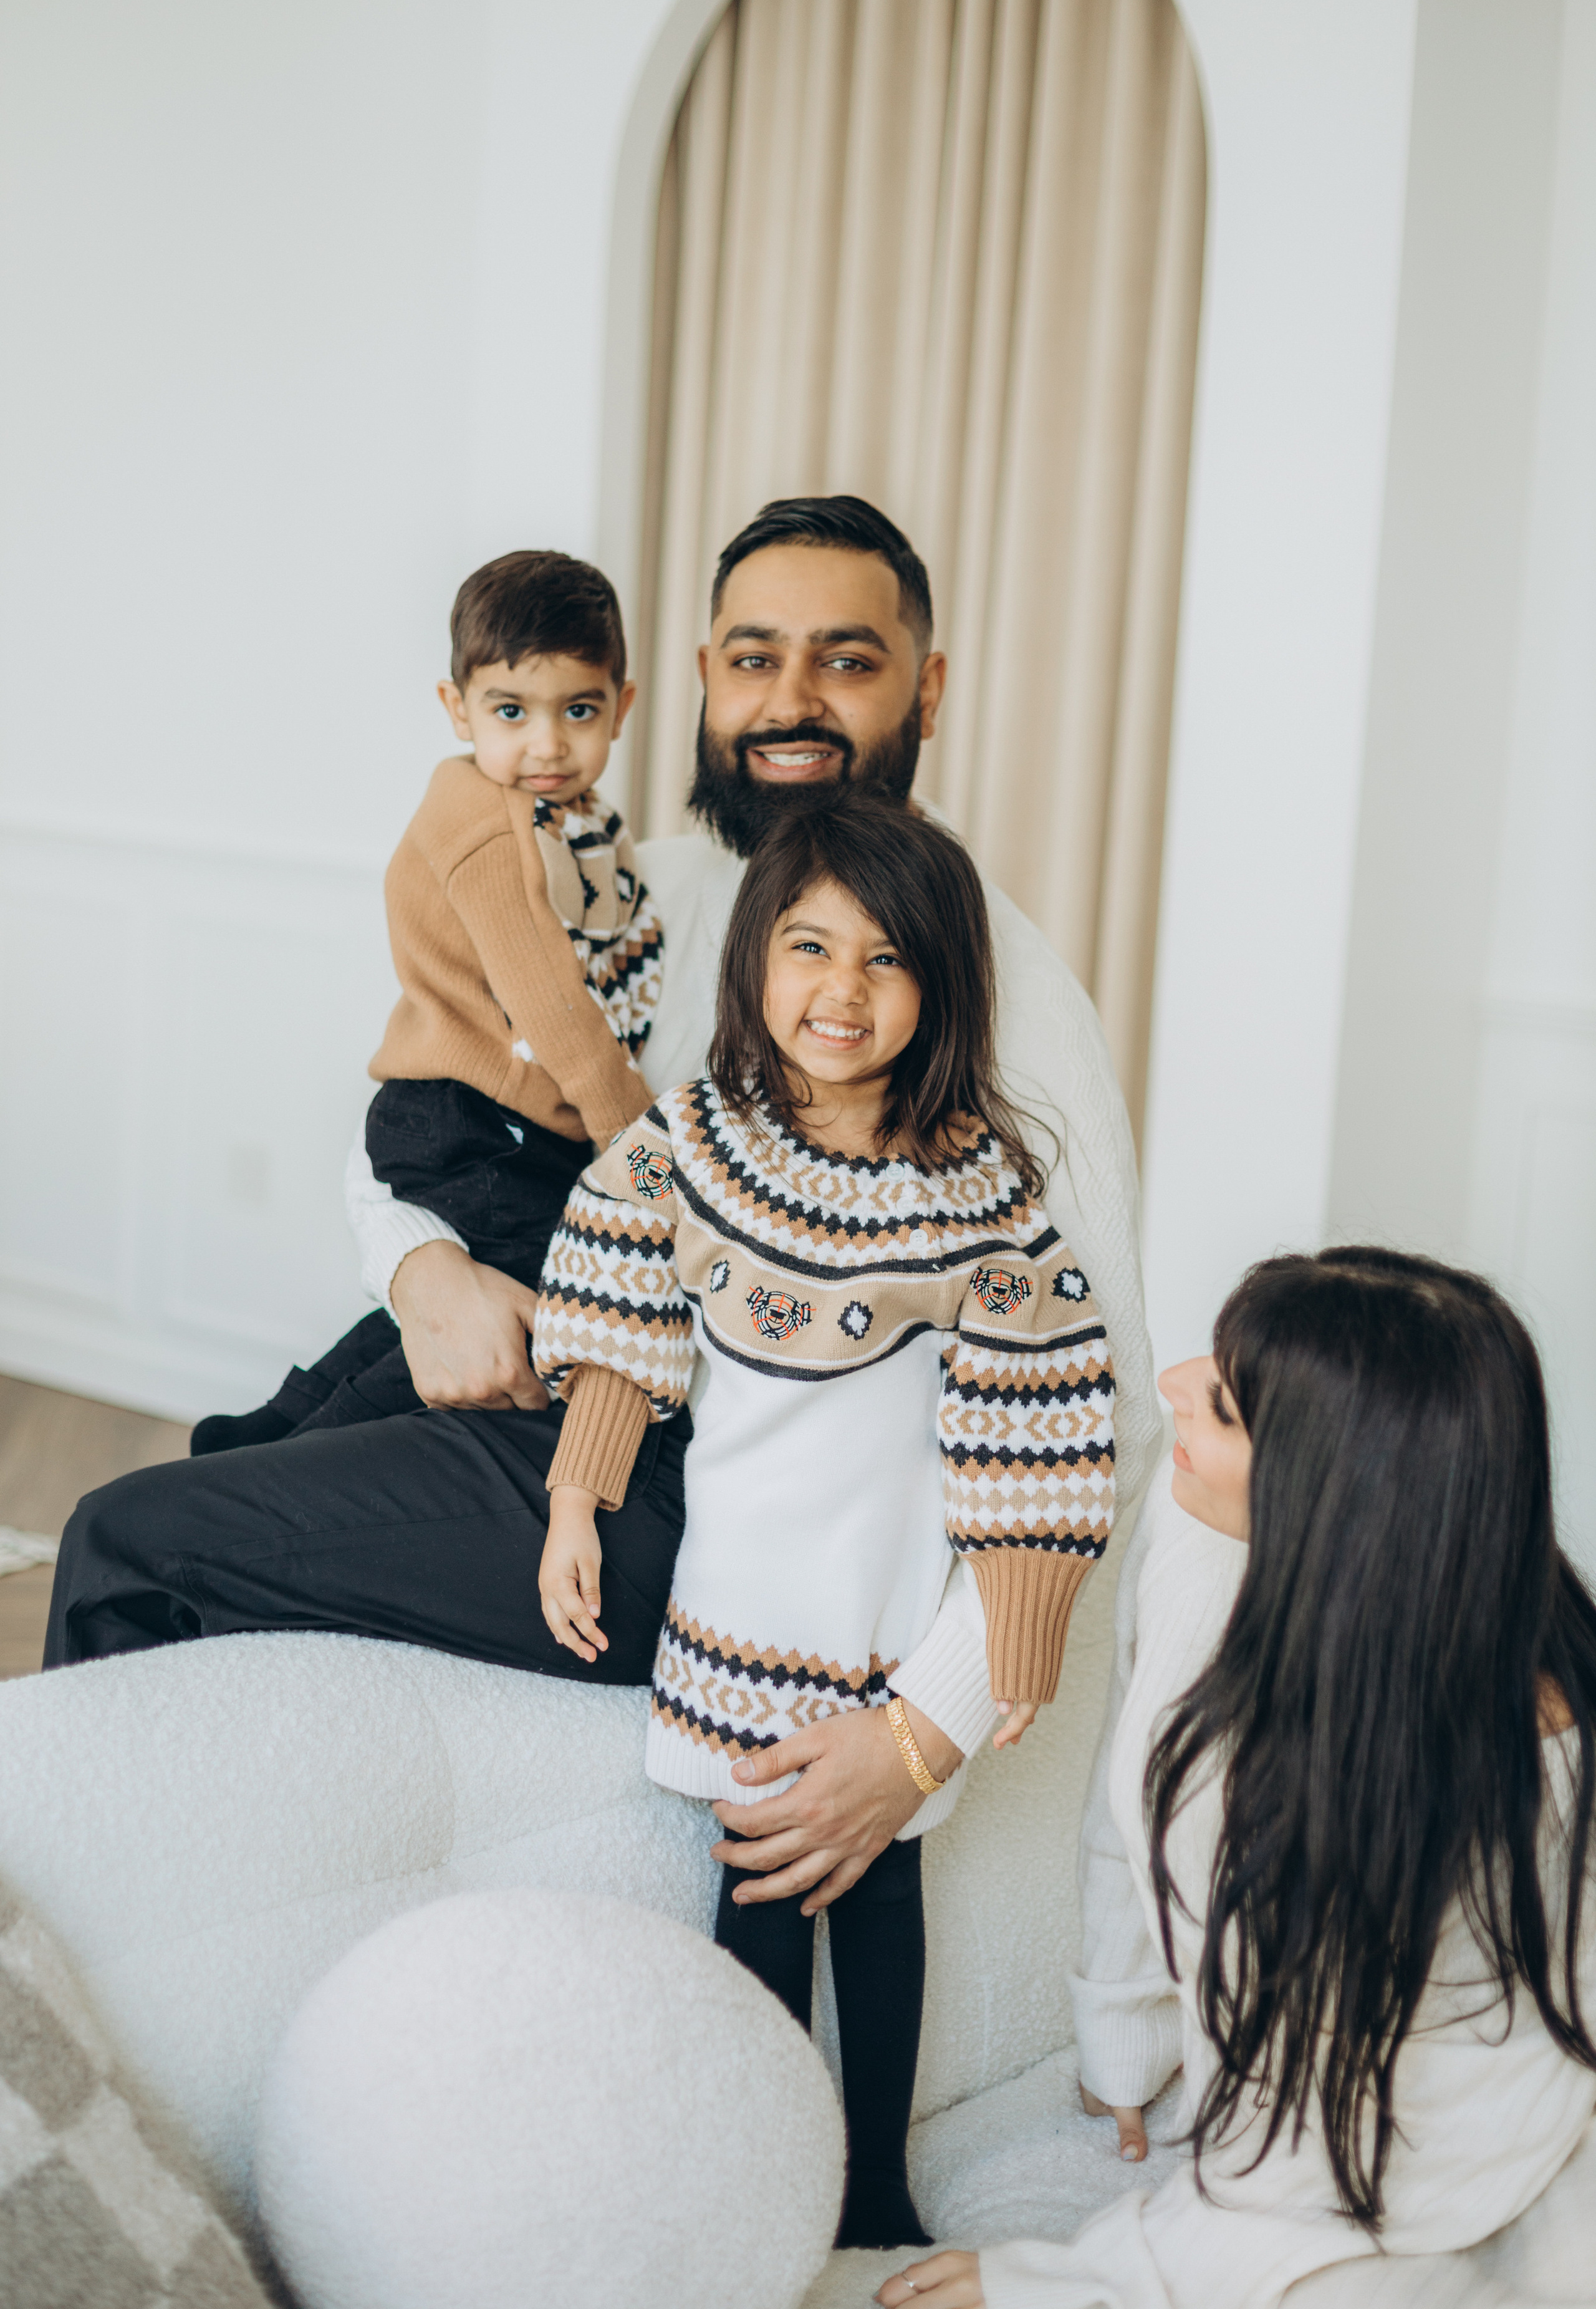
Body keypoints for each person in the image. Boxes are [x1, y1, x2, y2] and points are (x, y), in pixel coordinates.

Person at [47, 496, 1158, 1930]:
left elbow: (1099, 1414)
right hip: (573, 1389)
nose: (791, 704)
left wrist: (916, 1734)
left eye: (848, 661)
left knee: (133, 1541)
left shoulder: (990, 983)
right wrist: (424, 1273)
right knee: (226, 1468)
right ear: (694, 681)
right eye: (753, 660)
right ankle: (191, 1933)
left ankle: (57, 2010)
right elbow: (428, 1090)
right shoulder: (650, 890)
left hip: (716, 1511)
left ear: (926, 688)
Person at [531, 796, 1115, 2247]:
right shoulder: (693, 1148)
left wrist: (1018, 1624)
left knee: (877, 1882)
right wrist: (574, 1503)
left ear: (940, 989)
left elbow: (1040, 1417)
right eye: (808, 947)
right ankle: (746, 2162)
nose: (840, 993)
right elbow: (622, 1326)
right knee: (755, 1881)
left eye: (883, 961)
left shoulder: (982, 1193)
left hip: (883, 1613)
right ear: (755, 959)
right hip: (744, 1587)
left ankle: (869, 2185)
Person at [877, 1249, 1596, 2308]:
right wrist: (1119, 2032)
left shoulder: (1341, 1779)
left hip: (1461, 2147)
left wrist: (1066, 2279)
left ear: (1326, 1490)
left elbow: (1296, 2154)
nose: (1171, 1383)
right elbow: (1129, 1797)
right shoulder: (1204, 1532)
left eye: (1219, 1405)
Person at [190, 549, 661, 1452]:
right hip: (462, 1114)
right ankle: (278, 1475)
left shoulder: (578, 826)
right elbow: (552, 1002)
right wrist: (634, 1143)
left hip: (470, 1113)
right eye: (512, 711)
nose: (548, 743)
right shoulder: (487, 820)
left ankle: (263, 1433)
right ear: (458, 710)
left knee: (468, 1290)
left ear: (622, 707)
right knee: (543, 1278)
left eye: (580, 710)